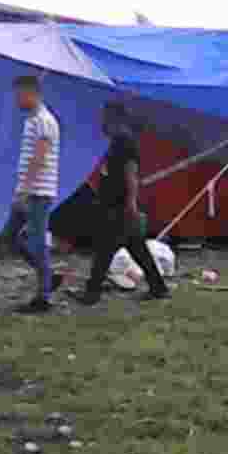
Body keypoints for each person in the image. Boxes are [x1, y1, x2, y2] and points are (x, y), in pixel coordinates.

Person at [71, 101, 169, 305]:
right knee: (137, 248)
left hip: (119, 204)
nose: (101, 121)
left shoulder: (125, 141)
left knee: (104, 249)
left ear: (114, 117)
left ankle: (92, 293)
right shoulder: (116, 140)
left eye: (104, 117)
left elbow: (131, 173)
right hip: (115, 203)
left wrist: (131, 202)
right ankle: (158, 287)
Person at [5, 75, 61, 313]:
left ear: (31, 93)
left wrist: (25, 191)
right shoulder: (32, 120)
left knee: (38, 242)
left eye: (19, 94)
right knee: (9, 235)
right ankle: (48, 275)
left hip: (38, 192)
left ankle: (43, 297)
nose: (16, 99)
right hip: (28, 190)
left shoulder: (44, 121)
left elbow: (40, 158)